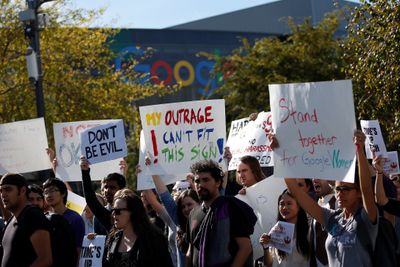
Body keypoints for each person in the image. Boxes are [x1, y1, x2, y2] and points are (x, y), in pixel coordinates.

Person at [283, 130, 378, 267]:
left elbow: (367, 190)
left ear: (358, 193)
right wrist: (281, 152)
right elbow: (295, 191)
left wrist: (359, 150)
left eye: (346, 189)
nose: (340, 193)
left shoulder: (366, 217)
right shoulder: (331, 218)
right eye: (338, 189)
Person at [186, 159, 257, 267]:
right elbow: (191, 249)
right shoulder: (193, 213)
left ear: (218, 182)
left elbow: (245, 247)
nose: (200, 184)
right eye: (197, 181)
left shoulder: (230, 207)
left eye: (205, 180)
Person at [103, 188, 173, 267]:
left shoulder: (153, 239)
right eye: (113, 210)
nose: (113, 214)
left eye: (117, 211)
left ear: (133, 212)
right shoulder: (113, 238)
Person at [0, 173, 52, 267]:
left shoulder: (33, 215)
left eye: (8, 189)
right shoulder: (12, 220)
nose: (3, 194)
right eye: (1, 190)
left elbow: (45, 260)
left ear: (22, 190)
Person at [259, 189, 311, 267]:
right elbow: (269, 264)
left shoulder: (310, 230)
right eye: (281, 204)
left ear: (299, 206)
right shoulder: (275, 231)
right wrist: (265, 247)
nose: (284, 208)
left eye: (289, 203)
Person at [80, 156, 126, 234]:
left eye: (112, 187)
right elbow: (91, 200)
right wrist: (85, 172)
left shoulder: (132, 211)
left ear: (121, 190)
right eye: (105, 187)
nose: (107, 190)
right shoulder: (106, 215)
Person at [42, 177, 85, 256]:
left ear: (63, 193)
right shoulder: (43, 219)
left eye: (52, 190)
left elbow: (78, 250)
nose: (48, 195)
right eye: (45, 192)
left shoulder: (75, 218)